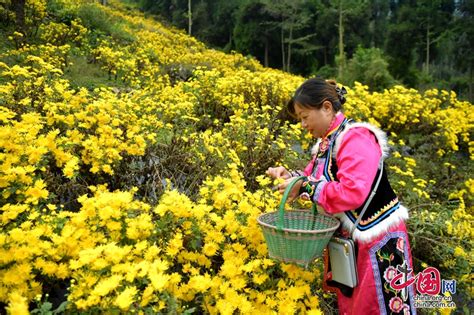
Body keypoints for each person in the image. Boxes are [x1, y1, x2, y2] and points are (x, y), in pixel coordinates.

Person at [266, 78, 416, 314]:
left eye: (305, 116)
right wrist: (290, 177)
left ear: (326, 107)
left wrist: (304, 186)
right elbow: (313, 178)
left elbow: (352, 192)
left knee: (377, 305)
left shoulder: (355, 138)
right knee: (354, 305)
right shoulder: (327, 142)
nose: (303, 124)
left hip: (377, 240)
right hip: (351, 240)